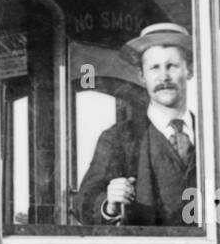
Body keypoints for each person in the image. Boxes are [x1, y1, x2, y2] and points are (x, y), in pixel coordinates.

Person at [76, 22, 197, 226]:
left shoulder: (211, 135)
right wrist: (109, 204)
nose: (164, 77)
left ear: (190, 71)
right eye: (154, 68)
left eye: (172, 66)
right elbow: (84, 203)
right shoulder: (118, 138)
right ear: (142, 76)